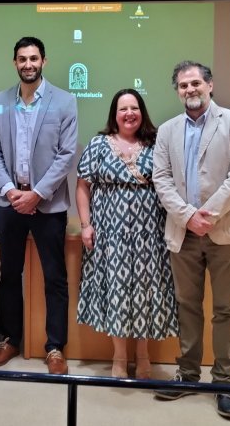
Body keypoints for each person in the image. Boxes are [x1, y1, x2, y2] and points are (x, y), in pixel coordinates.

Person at [152, 61, 230, 420]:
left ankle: (224, 383)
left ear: (209, 85)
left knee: (226, 309)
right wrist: (187, 216)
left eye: (195, 83)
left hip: (225, 231)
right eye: (182, 85)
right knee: (187, 306)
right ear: (177, 91)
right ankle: (188, 375)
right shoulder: (167, 131)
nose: (189, 90)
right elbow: (161, 179)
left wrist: (205, 216)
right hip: (184, 232)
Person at [0, 36, 77, 374]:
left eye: (34, 58)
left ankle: (55, 347)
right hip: (9, 203)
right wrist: (11, 192)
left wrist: (37, 194)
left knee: (54, 277)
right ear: (14, 63)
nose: (28, 64)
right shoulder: (0, 101)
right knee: (9, 274)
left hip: (48, 204)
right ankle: (10, 339)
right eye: (22, 58)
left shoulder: (64, 102)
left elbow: (66, 155)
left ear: (44, 61)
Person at [75, 89, 179, 379]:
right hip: (110, 232)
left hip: (151, 233)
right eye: (123, 109)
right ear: (114, 114)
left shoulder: (157, 144)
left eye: (134, 107)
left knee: (145, 291)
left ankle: (143, 356)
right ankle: (119, 357)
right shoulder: (98, 145)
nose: (129, 113)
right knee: (117, 291)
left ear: (142, 112)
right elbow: (82, 186)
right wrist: (86, 225)